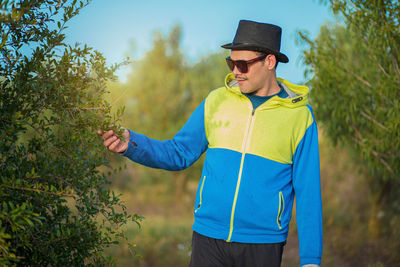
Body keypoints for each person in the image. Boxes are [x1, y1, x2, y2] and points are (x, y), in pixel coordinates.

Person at [98, 20, 323, 267]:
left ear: (270, 62)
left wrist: (310, 260)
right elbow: (178, 153)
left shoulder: (301, 117)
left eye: (243, 64)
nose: (235, 71)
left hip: (263, 244)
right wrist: (131, 144)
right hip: (208, 239)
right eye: (231, 63)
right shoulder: (216, 101)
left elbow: (307, 192)